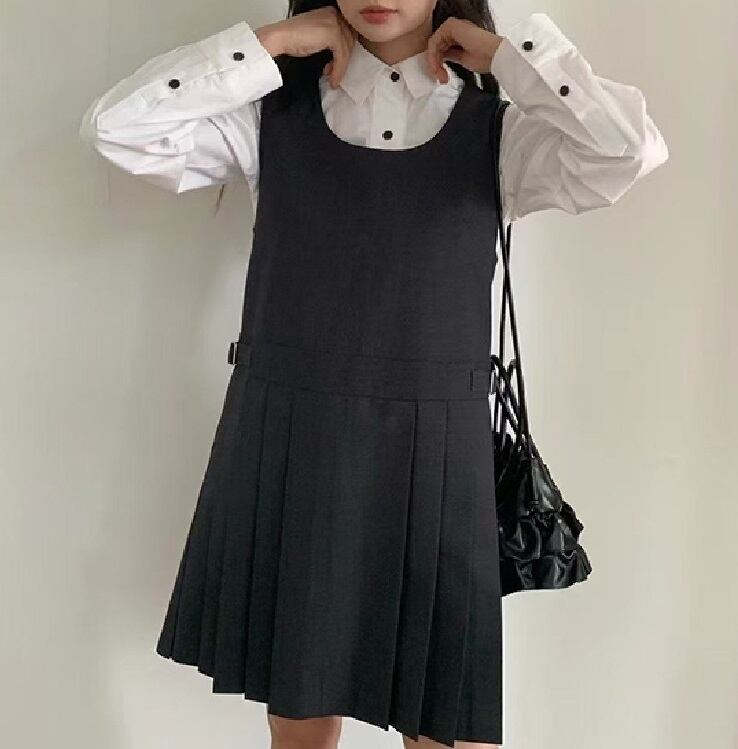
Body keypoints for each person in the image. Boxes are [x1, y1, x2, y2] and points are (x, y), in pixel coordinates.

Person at [79, 2, 668, 748]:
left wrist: (512, 58)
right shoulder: (271, 116)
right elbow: (117, 128)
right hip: (293, 440)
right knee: (300, 727)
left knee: (448, 728)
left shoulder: (499, 130)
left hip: (439, 453)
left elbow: (627, 151)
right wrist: (272, 44)